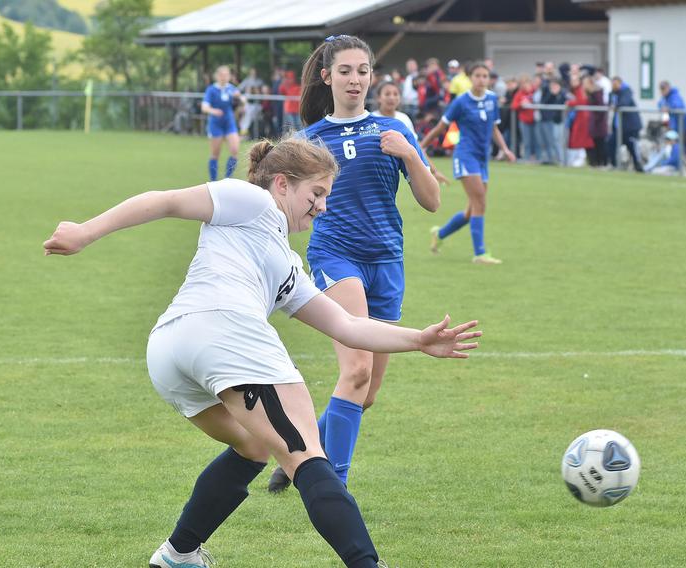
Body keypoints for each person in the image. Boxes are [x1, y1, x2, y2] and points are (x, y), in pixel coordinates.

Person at [42, 137, 482, 568]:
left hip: (170, 349)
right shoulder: (250, 201)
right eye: (318, 193)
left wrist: (418, 340)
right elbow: (165, 201)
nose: (323, 206)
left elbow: (347, 326)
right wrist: (86, 231)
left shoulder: (287, 266)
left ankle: (178, 554)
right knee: (307, 456)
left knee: (254, 445)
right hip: (226, 332)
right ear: (282, 184)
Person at [266, 35, 442, 493]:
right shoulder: (309, 140)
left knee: (367, 393)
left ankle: (298, 457)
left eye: (363, 70)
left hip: (387, 259)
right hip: (334, 255)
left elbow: (432, 201)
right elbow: (274, 199)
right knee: (356, 371)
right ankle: (331, 490)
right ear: (327, 77)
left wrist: (409, 155)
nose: (355, 79)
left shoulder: (393, 130)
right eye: (345, 71)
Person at [420, 62, 516, 263]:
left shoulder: (491, 99)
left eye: (485, 76)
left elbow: (495, 129)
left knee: (472, 209)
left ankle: (440, 234)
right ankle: (480, 253)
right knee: (480, 201)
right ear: (470, 78)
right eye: (478, 75)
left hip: (482, 159)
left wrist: (505, 149)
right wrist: (422, 145)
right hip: (465, 156)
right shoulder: (461, 102)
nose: (481, 79)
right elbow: (440, 127)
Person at [372, 80, 450, 185]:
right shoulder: (371, 119)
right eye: (387, 94)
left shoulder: (403, 119)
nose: (392, 97)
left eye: (396, 94)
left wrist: (434, 171)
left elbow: (416, 147)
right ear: (378, 98)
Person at [201, 65, 242, 180]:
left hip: (229, 123)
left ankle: (227, 179)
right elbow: (204, 107)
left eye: (226, 75)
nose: (223, 77)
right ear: (217, 76)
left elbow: (243, 101)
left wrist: (240, 99)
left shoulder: (232, 89)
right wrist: (213, 110)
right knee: (215, 154)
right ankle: (213, 181)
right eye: (221, 75)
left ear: (229, 76)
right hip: (216, 123)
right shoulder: (211, 90)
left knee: (234, 150)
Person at [658, 80, 686, 175]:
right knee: (676, 150)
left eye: (664, 89)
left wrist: (669, 109)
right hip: (677, 129)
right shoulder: (664, 99)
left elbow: (677, 106)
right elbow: (660, 105)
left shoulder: (675, 96)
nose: (662, 91)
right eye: (661, 89)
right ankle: (685, 170)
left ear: (668, 88)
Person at [607, 76, 643, 172]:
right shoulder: (612, 93)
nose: (613, 86)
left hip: (630, 127)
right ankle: (614, 165)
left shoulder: (626, 91)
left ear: (620, 83)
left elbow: (624, 103)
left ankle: (639, 167)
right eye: (612, 84)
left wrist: (616, 106)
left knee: (632, 147)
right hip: (618, 127)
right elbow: (609, 103)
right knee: (611, 143)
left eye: (615, 84)